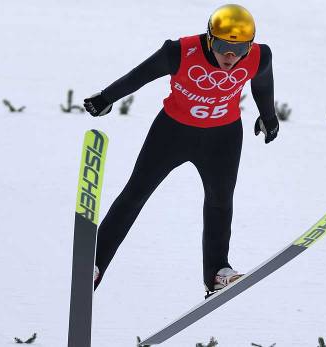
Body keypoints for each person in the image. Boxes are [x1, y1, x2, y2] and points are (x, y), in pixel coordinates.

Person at [84, 4, 279, 297]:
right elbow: (141, 75)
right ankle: (94, 265)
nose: (231, 57)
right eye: (225, 46)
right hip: (172, 133)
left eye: (239, 49)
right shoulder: (180, 51)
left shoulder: (259, 56)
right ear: (211, 38)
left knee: (220, 202)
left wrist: (268, 116)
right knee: (135, 194)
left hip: (223, 137)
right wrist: (107, 97)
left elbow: (262, 85)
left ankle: (217, 273)